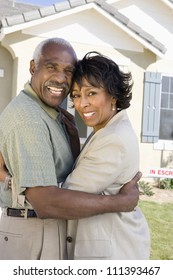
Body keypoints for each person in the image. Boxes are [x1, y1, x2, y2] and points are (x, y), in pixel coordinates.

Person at [0, 38, 140, 260]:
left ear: (112, 95)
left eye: (68, 71)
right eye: (51, 66)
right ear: (33, 67)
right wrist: (120, 202)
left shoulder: (53, 115)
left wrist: (73, 138)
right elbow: (47, 201)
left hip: (61, 234)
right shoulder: (29, 119)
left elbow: (68, 179)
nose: (60, 78)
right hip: (31, 234)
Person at [61, 52, 150, 260]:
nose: (82, 104)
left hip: (112, 254)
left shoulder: (113, 139)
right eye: (75, 95)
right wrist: (74, 139)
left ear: (113, 95)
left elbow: (66, 197)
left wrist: (12, 179)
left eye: (91, 93)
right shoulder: (107, 129)